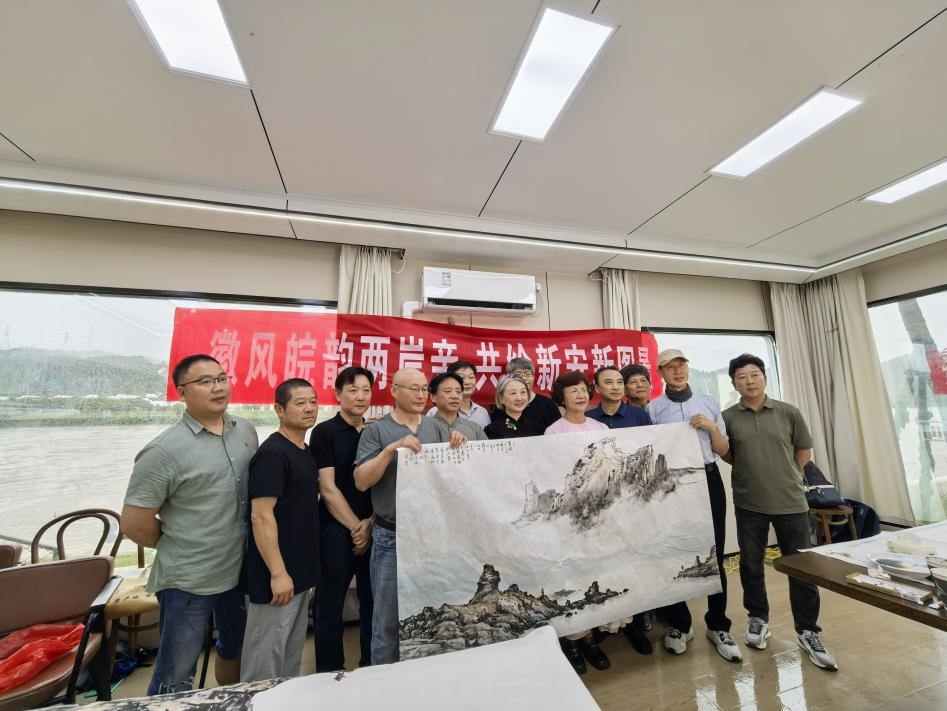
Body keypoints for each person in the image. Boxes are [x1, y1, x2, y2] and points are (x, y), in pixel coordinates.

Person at [121, 354, 258, 694]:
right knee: (176, 673)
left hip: (238, 570)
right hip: (188, 579)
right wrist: (182, 541)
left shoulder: (246, 430)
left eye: (222, 378)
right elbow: (134, 523)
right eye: (205, 381)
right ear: (182, 393)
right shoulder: (164, 450)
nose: (218, 387)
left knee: (236, 649)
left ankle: (231, 699)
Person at [722, 354, 838, 671]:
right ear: (734, 383)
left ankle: (808, 631)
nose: (750, 381)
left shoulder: (788, 412)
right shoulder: (728, 417)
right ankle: (758, 618)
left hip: (791, 502)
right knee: (751, 565)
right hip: (749, 503)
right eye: (742, 376)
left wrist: (788, 476)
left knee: (801, 567)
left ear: (764, 378)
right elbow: (730, 454)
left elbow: (803, 452)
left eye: (755, 374)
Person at [354, 368, 467, 664]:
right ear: (394, 391)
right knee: (387, 622)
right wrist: (391, 450)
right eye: (412, 389)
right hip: (392, 535)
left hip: (432, 536)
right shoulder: (376, 431)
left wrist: (457, 443)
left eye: (423, 389)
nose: (420, 395)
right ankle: (384, 682)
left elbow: (452, 476)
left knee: (430, 616)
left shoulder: (435, 428)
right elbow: (362, 481)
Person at [647, 349, 741, 663]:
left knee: (715, 550)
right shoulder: (654, 408)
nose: (677, 371)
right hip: (672, 483)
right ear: (661, 373)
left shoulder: (708, 402)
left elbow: (723, 450)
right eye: (670, 367)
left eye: (681, 365)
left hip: (708, 476)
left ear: (688, 368)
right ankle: (681, 624)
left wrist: (711, 428)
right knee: (674, 551)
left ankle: (718, 625)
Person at [241, 379, 321, 682]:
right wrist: (278, 573)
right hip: (275, 575)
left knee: (289, 656)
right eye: (300, 402)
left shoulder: (303, 449)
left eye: (313, 401)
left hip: (299, 573)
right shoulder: (273, 453)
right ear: (279, 409)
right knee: (265, 661)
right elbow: (260, 516)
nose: (309, 408)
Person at [543, 371, 610, 674]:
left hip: (599, 510)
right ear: (562, 397)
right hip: (570, 513)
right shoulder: (553, 432)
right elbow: (554, 473)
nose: (580, 395)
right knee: (573, 574)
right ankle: (573, 640)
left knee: (597, 570)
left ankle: (591, 637)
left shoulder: (600, 427)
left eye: (583, 390)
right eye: (573, 391)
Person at [311, 367, 376, 672]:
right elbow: (327, 488)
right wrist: (356, 528)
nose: (360, 396)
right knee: (329, 605)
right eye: (352, 390)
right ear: (338, 394)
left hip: (373, 528)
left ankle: (371, 666)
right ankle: (329, 672)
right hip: (336, 530)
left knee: (373, 604)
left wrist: (370, 524)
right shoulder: (324, 432)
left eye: (366, 390)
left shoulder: (375, 431)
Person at [586, 366, 653, 655]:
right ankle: (606, 623)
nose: (615, 387)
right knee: (605, 562)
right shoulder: (589, 418)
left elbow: (651, 450)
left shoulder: (639, 415)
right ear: (596, 388)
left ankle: (636, 623)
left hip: (633, 498)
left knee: (635, 558)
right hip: (601, 504)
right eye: (608, 382)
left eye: (619, 382)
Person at [501, 357, 562, 431]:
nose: (524, 378)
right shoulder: (504, 405)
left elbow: (558, 433)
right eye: (518, 374)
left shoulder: (549, 405)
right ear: (510, 378)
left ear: (533, 377)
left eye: (527, 374)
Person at [425, 361, 491, 428]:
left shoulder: (483, 412)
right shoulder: (435, 412)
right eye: (462, 377)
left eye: (471, 377)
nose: (467, 382)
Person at [428, 372, 489, 441]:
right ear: (433, 397)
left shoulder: (475, 429)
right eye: (448, 391)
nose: (455, 396)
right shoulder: (423, 428)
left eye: (458, 392)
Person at [484, 374, 543, 439]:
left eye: (523, 392)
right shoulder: (492, 430)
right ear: (501, 398)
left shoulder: (536, 426)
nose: (519, 398)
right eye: (513, 393)